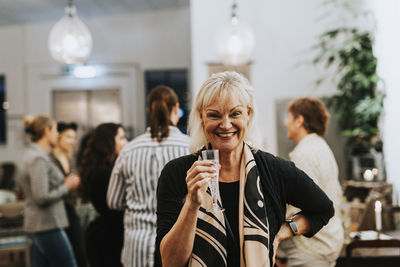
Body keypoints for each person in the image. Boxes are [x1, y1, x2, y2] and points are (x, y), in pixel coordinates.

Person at [155, 71, 335, 267]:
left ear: (248, 114)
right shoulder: (178, 173)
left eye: (235, 113)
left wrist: (282, 233)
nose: (225, 124)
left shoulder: (273, 170)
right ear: (201, 117)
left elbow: (323, 209)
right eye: (214, 115)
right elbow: (170, 262)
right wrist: (191, 203)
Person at [107, 85, 190, 267]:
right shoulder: (189, 147)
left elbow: (113, 200)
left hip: (137, 245)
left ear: (149, 110)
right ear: (176, 108)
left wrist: (139, 203)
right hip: (177, 243)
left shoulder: (129, 149)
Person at [278, 97, 344, 267]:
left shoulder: (304, 154)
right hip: (331, 238)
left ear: (299, 120)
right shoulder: (321, 146)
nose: (286, 124)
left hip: (312, 246)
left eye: (289, 118)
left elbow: (303, 202)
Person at [20, 115, 80, 267]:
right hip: (46, 223)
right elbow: (41, 197)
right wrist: (67, 186)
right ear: (46, 131)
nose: (57, 134)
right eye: (55, 131)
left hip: (42, 224)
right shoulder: (38, 159)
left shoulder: (34, 155)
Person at [78, 123, 128, 267]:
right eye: (122, 138)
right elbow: (114, 209)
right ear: (109, 142)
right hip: (107, 240)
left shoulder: (106, 169)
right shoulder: (103, 174)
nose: (126, 142)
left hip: (107, 236)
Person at [50, 122, 87, 267]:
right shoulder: (49, 160)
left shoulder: (71, 159)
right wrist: (67, 185)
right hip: (56, 212)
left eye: (74, 138)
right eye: (68, 137)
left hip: (71, 210)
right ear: (58, 137)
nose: (72, 141)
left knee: (79, 251)